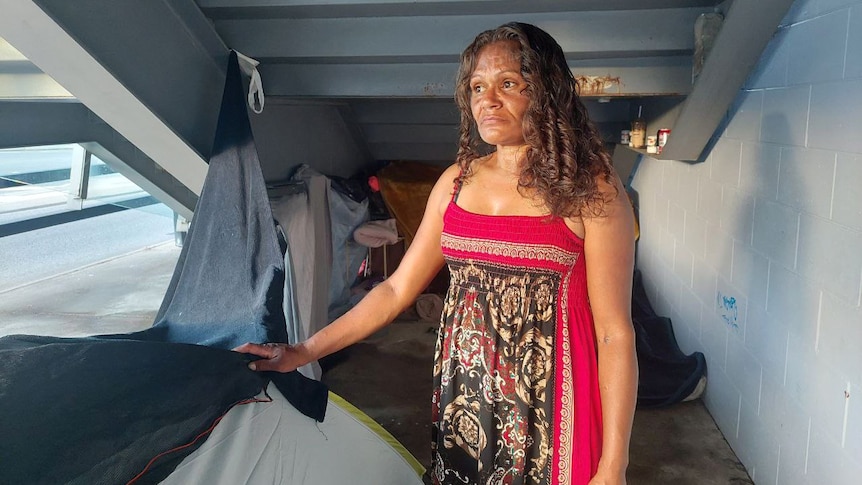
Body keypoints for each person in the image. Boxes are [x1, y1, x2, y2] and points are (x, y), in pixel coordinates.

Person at [235, 22, 637, 485]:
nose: (488, 100)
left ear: (546, 91)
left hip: (553, 403)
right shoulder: (456, 183)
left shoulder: (590, 191)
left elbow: (614, 335)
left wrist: (614, 464)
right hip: (467, 400)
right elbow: (395, 290)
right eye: (477, 86)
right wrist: (302, 350)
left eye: (508, 84)